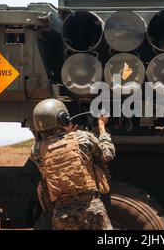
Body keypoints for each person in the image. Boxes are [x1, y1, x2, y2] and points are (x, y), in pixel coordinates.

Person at [30, 98, 115, 230]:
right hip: (90, 208)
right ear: (63, 118)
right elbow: (108, 154)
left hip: (61, 214)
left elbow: (55, 150)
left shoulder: (36, 151)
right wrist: (102, 127)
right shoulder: (82, 137)